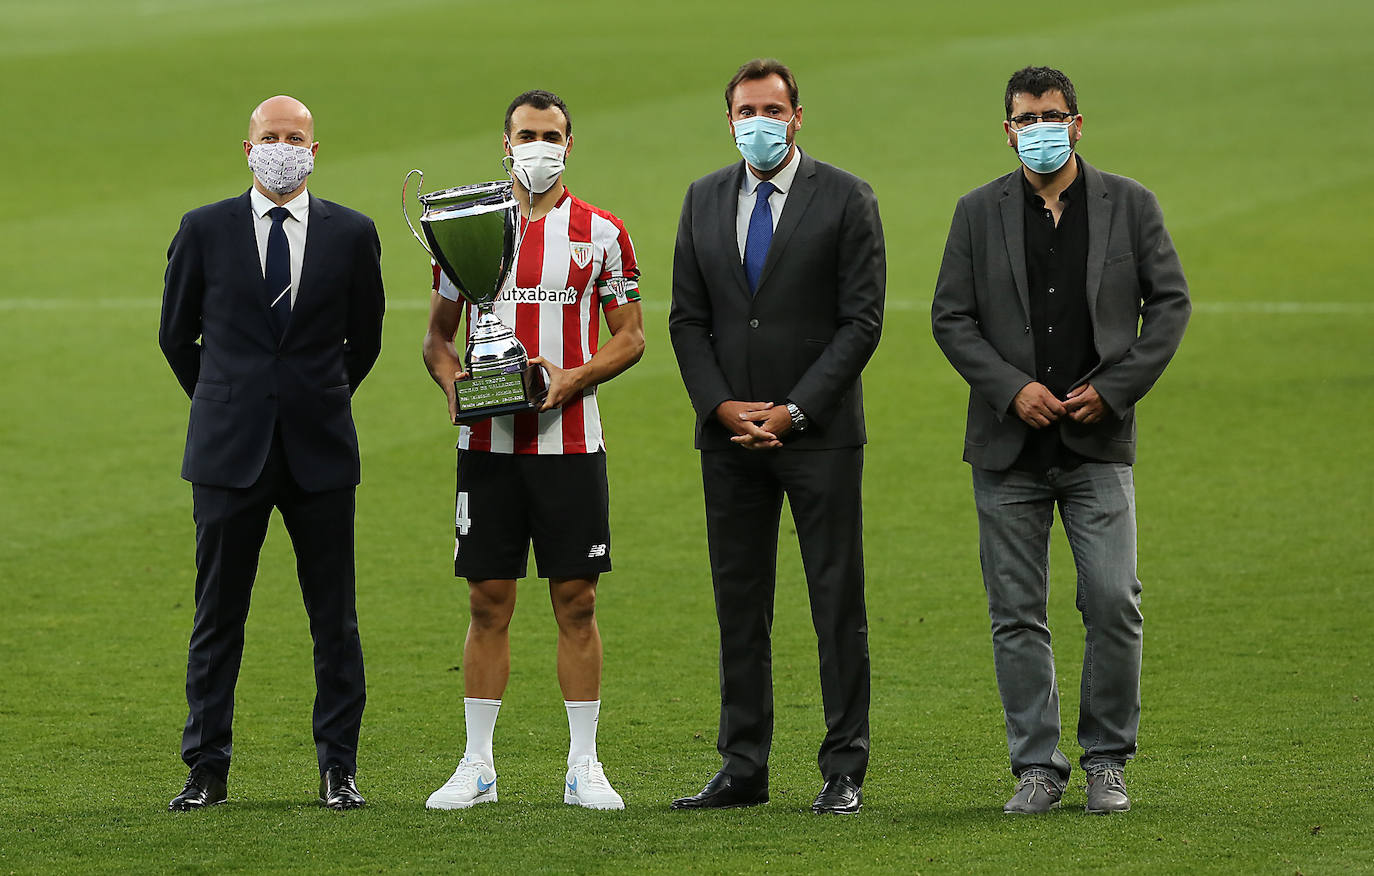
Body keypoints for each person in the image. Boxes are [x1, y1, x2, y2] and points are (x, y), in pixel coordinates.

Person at [931, 66, 1191, 815]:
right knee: (1016, 612)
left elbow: (1168, 305)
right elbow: (951, 317)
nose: (1038, 128)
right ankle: (1038, 768)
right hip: (1007, 446)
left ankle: (1107, 759)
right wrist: (1012, 388)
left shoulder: (1130, 205)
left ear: (1078, 123)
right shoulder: (977, 212)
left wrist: (1112, 391)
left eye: (1052, 115)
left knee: (1112, 600)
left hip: (1097, 443)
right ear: (1006, 130)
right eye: (1025, 118)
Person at [668, 59, 885, 815]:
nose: (759, 122)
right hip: (729, 440)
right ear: (728, 120)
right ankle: (743, 765)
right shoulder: (702, 199)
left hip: (818, 437)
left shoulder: (848, 196)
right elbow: (687, 321)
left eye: (773, 109)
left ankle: (844, 768)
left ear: (798, 117)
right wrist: (723, 408)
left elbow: (862, 322)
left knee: (835, 599)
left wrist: (795, 411)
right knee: (740, 602)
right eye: (745, 110)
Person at [159, 95, 385, 811]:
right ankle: (206, 769)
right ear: (247, 147)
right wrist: (228, 397)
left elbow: (366, 338)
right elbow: (176, 336)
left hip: (319, 449)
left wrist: (312, 396)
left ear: (314, 153)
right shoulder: (203, 230)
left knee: (334, 618)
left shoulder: (353, 233)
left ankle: (339, 771)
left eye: (295, 137)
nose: (282, 147)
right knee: (217, 615)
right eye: (270, 136)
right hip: (229, 454)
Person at [421, 90, 644, 811]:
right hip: (487, 441)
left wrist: (573, 378)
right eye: (527, 134)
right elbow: (437, 339)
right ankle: (477, 766)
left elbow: (631, 335)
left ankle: (585, 765)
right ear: (505, 143)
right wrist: (456, 385)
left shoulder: (602, 233)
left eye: (551, 135)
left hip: (572, 441)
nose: (538, 147)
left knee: (576, 601)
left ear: (569, 146)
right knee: (488, 599)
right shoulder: (467, 228)